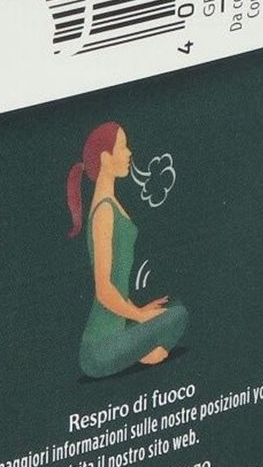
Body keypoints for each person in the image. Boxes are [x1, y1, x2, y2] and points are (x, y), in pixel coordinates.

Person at [68, 122, 188, 378]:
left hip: (118, 333)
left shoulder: (110, 204)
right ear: (105, 157)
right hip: (98, 349)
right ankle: (141, 351)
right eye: (122, 147)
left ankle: (139, 348)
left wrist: (140, 312)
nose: (129, 153)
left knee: (172, 308)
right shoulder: (104, 211)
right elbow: (104, 291)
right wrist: (141, 317)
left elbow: (118, 286)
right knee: (176, 316)